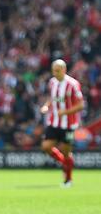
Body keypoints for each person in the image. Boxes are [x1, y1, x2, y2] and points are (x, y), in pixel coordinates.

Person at [40, 59, 84, 188]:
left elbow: (81, 105)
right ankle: (65, 163)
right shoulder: (52, 82)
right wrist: (46, 106)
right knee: (46, 146)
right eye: (53, 70)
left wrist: (65, 112)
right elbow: (52, 98)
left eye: (58, 71)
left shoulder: (73, 84)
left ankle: (68, 180)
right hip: (54, 122)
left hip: (69, 125)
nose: (55, 73)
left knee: (66, 152)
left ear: (64, 70)